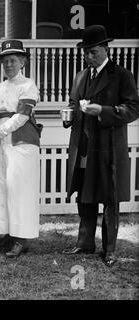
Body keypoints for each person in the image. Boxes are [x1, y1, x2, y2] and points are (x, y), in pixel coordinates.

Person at [62, 25, 139, 267]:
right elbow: (74, 104)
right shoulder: (81, 76)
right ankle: (85, 243)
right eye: (85, 52)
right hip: (84, 146)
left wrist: (103, 111)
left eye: (93, 52)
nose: (88, 57)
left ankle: (110, 249)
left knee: (109, 198)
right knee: (84, 195)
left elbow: (133, 109)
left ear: (105, 49)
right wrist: (69, 115)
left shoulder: (121, 75)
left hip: (108, 149)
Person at [0, 40, 42, 258]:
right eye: (5, 61)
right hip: (0, 141)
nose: (8, 65)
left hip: (20, 143)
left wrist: (3, 129)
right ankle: (7, 233)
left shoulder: (28, 85)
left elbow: (24, 114)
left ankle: (21, 238)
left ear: (22, 62)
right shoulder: (0, 87)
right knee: (2, 186)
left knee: (19, 188)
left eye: (13, 60)